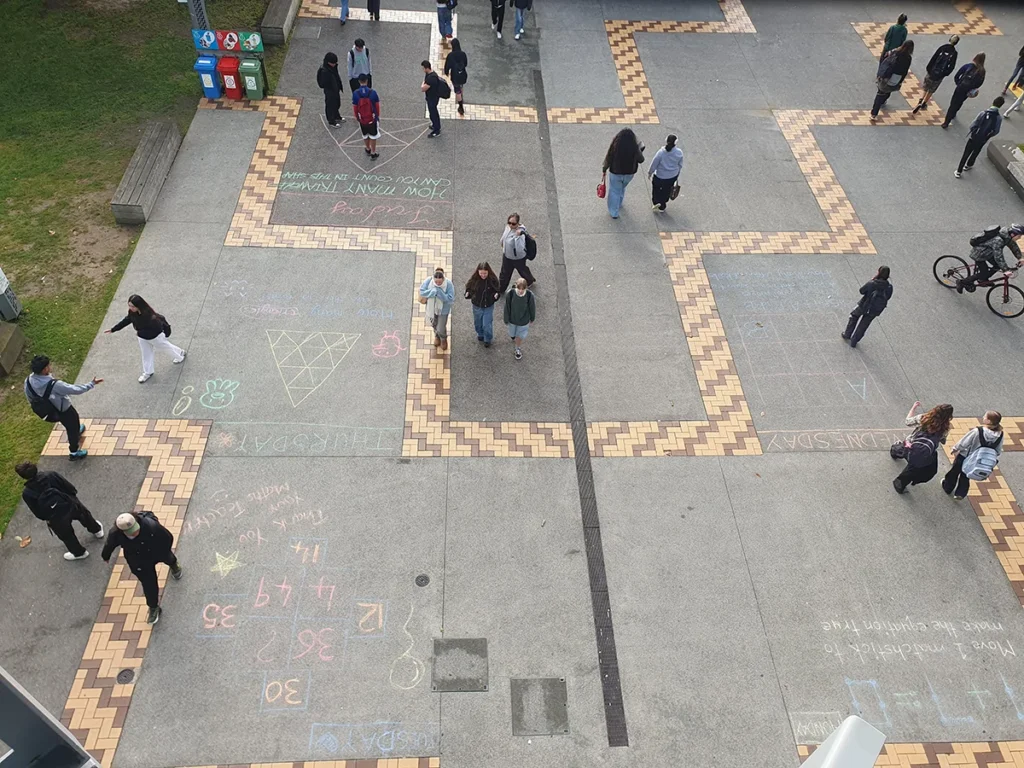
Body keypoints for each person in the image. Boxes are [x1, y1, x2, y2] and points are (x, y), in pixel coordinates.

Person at [102, 511, 182, 626]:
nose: (136, 532)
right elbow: (109, 545)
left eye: (135, 528)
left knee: (168, 558)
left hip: (157, 551)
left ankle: (174, 565)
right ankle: (153, 607)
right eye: (131, 532)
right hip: (139, 560)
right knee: (148, 584)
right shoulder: (115, 534)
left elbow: (167, 538)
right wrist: (105, 556)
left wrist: (164, 550)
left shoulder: (150, 525)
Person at [16, 462, 103, 561]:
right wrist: (73, 497)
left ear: (23, 477)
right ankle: (97, 530)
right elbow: (69, 487)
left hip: (55, 517)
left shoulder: (27, 493)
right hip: (70, 504)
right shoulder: (50, 475)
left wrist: (48, 517)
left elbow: (37, 512)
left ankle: (79, 553)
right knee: (84, 516)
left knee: (67, 535)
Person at [24, 356, 102, 461]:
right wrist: (91, 384)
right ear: (44, 369)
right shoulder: (55, 385)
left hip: (50, 411)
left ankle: (76, 431)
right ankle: (74, 452)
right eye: (48, 365)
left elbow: (29, 397)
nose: (50, 367)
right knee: (72, 427)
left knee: (70, 421)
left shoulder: (29, 381)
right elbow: (75, 390)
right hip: (63, 409)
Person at [104, 294, 186, 383]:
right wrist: (114, 329)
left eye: (132, 306)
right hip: (142, 337)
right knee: (146, 354)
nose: (130, 308)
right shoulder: (132, 313)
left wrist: (165, 335)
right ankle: (148, 372)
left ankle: (180, 356)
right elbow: (127, 320)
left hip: (155, 337)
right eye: (129, 305)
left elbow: (160, 324)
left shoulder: (149, 316)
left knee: (166, 348)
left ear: (138, 306)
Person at [893, 402, 953, 494]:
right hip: (927, 452)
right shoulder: (945, 428)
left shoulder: (924, 418)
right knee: (916, 467)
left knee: (904, 452)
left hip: (912, 444)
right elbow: (943, 441)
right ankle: (901, 483)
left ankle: (895, 450)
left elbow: (908, 421)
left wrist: (913, 408)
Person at [943, 411, 1004, 500]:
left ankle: (947, 487)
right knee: (966, 475)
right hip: (977, 461)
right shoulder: (1000, 434)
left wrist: (955, 448)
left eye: (985, 417)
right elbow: (998, 451)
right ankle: (960, 493)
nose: (983, 417)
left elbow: (964, 442)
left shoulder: (978, 431)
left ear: (989, 421)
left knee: (954, 472)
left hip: (965, 456)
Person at [956, 223, 1024, 293]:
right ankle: (962, 282)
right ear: (1013, 234)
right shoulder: (998, 240)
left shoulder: (1007, 237)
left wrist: (1020, 258)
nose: (1019, 238)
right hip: (980, 254)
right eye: (1019, 236)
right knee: (984, 273)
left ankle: (983, 279)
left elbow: (1013, 247)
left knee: (997, 266)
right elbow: (998, 256)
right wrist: (1005, 270)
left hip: (988, 253)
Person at [841, 266, 892, 348]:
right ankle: (854, 341)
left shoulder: (872, 283)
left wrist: (872, 280)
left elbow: (861, 291)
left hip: (864, 305)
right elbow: (888, 297)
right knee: (864, 324)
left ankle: (847, 334)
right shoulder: (889, 287)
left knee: (854, 316)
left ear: (879, 273)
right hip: (875, 310)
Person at [955, 96, 1004, 178]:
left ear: (993, 102)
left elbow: (973, 124)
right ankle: (969, 164)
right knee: (976, 151)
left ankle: (959, 171)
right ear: (1000, 106)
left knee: (966, 153)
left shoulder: (983, 113)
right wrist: (988, 136)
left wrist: (973, 131)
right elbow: (996, 131)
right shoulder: (998, 118)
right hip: (983, 139)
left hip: (974, 137)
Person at [601, 129, 645, 219]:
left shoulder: (615, 145)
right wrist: (640, 150)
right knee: (622, 188)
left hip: (616, 173)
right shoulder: (634, 147)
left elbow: (609, 157)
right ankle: (619, 202)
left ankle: (614, 212)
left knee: (614, 191)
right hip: (629, 173)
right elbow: (641, 160)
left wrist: (604, 168)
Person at [913, 35, 959, 114]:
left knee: (926, 87)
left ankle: (921, 99)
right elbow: (951, 66)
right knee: (932, 89)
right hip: (939, 75)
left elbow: (933, 58)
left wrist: (929, 69)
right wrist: (945, 74)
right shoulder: (954, 53)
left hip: (931, 72)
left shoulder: (942, 48)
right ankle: (924, 103)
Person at [870, 41, 913, 123]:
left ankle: (874, 113)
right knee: (888, 90)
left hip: (886, 75)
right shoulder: (908, 58)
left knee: (880, 93)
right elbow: (905, 71)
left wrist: (880, 73)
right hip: (896, 78)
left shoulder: (895, 52)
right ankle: (883, 101)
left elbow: (885, 60)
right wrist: (900, 81)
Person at [942, 52, 986, 128]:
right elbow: (980, 83)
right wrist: (972, 89)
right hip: (968, 91)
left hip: (960, 88)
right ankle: (954, 112)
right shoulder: (982, 71)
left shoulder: (968, 66)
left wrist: (958, 84)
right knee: (960, 101)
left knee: (953, 104)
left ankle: (946, 122)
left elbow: (957, 76)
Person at [498, 213, 536, 293]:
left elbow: (519, 248)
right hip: (507, 255)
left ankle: (529, 280)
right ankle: (501, 288)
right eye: (509, 222)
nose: (511, 225)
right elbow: (504, 237)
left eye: (513, 224)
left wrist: (518, 237)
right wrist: (502, 243)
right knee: (504, 273)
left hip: (518, 258)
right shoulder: (508, 227)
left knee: (522, 270)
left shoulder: (521, 233)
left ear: (518, 223)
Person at [419, 268, 455, 351]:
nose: (438, 283)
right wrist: (432, 292)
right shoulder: (429, 281)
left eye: (440, 282)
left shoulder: (448, 284)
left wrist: (440, 293)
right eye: (436, 282)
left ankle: (443, 339)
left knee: (441, 327)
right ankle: (437, 336)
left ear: (443, 278)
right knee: (434, 324)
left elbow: (450, 299)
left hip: (443, 309)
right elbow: (422, 292)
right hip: (431, 308)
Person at [465, 262, 500, 347]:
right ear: (478, 272)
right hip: (477, 306)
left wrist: (496, 296)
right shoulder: (474, 280)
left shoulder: (492, 280)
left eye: (485, 273)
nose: (483, 275)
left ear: (488, 272)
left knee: (487, 324)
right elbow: (469, 289)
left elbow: (497, 290)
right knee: (478, 323)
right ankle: (480, 333)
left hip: (488, 306)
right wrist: (467, 294)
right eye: (481, 273)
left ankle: (487, 339)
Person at [648, 134, 683, 213]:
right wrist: (677, 173)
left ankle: (656, 202)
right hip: (672, 176)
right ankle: (662, 205)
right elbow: (680, 165)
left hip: (659, 176)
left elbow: (654, 163)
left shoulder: (661, 153)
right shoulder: (679, 153)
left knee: (656, 189)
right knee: (667, 190)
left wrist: (650, 172)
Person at [504, 278, 536, 360]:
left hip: (523, 321)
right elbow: (507, 307)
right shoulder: (510, 294)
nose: (521, 291)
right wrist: (506, 319)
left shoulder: (529, 295)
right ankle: (513, 337)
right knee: (512, 334)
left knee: (520, 336)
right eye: (519, 288)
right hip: (512, 319)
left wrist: (532, 318)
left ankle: (517, 349)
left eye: (523, 289)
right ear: (516, 286)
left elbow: (532, 307)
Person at [352, 74, 381, 160]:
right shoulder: (373, 93)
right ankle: (373, 152)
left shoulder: (356, 93)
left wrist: (357, 117)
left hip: (362, 119)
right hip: (372, 119)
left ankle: (368, 148)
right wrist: (377, 116)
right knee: (373, 136)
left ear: (359, 81)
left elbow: (355, 107)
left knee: (365, 135)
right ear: (367, 81)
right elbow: (377, 106)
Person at [317, 52, 345, 127]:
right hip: (330, 90)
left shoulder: (333, 67)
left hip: (335, 89)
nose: (335, 64)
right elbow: (322, 83)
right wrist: (331, 86)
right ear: (328, 62)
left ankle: (336, 116)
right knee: (330, 105)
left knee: (337, 103)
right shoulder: (324, 71)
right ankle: (331, 121)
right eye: (333, 63)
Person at [444, 38, 469, 116]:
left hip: (455, 76)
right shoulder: (463, 54)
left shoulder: (450, 55)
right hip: (463, 74)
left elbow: (447, 66)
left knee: (457, 90)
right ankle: (461, 95)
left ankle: (460, 106)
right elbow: (466, 64)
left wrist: (446, 73)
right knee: (461, 86)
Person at [421, 60, 443, 137]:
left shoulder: (431, 78)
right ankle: (434, 125)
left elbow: (423, 88)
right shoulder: (431, 74)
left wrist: (423, 84)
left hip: (432, 98)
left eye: (423, 68)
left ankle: (437, 130)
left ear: (427, 68)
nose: (423, 70)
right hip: (432, 97)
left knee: (433, 114)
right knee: (432, 113)